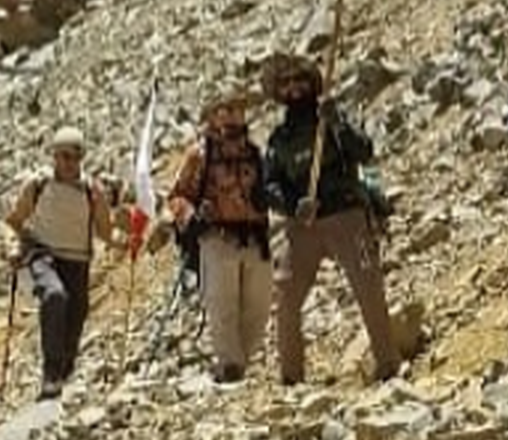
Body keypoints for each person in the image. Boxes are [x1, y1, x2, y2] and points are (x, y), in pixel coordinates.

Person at [261, 51, 399, 385]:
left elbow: (364, 152)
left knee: (368, 287)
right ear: (278, 92)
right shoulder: (279, 140)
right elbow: (268, 186)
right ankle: (291, 379)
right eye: (286, 83)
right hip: (303, 227)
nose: (294, 89)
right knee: (287, 297)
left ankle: (388, 365)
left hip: (346, 216)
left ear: (312, 83)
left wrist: (337, 122)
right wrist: (293, 205)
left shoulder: (332, 119)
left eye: (300, 81)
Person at [165, 91, 272, 385]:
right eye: (224, 109)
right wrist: (191, 217)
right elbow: (176, 196)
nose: (232, 115)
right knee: (222, 303)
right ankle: (230, 364)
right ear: (212, 116)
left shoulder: (254, 153)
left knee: (258, 305)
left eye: (237, 109)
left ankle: (242, 361)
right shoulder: (199, 155)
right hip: (216, 236)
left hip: (255, 236)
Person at [4, 125, 114, 399]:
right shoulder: (37, 184)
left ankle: (63, 374)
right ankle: (50, 374)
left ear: (81, 158)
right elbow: (13, 221)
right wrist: (12, 246)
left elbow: (104, 232)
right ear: (53, 156)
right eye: (61, 156)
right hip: (44, 255)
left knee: (75, 317)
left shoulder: (92, 191)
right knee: (54, 296)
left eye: (72, 157)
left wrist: (126, 240)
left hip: (77, 260)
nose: (66, 162)